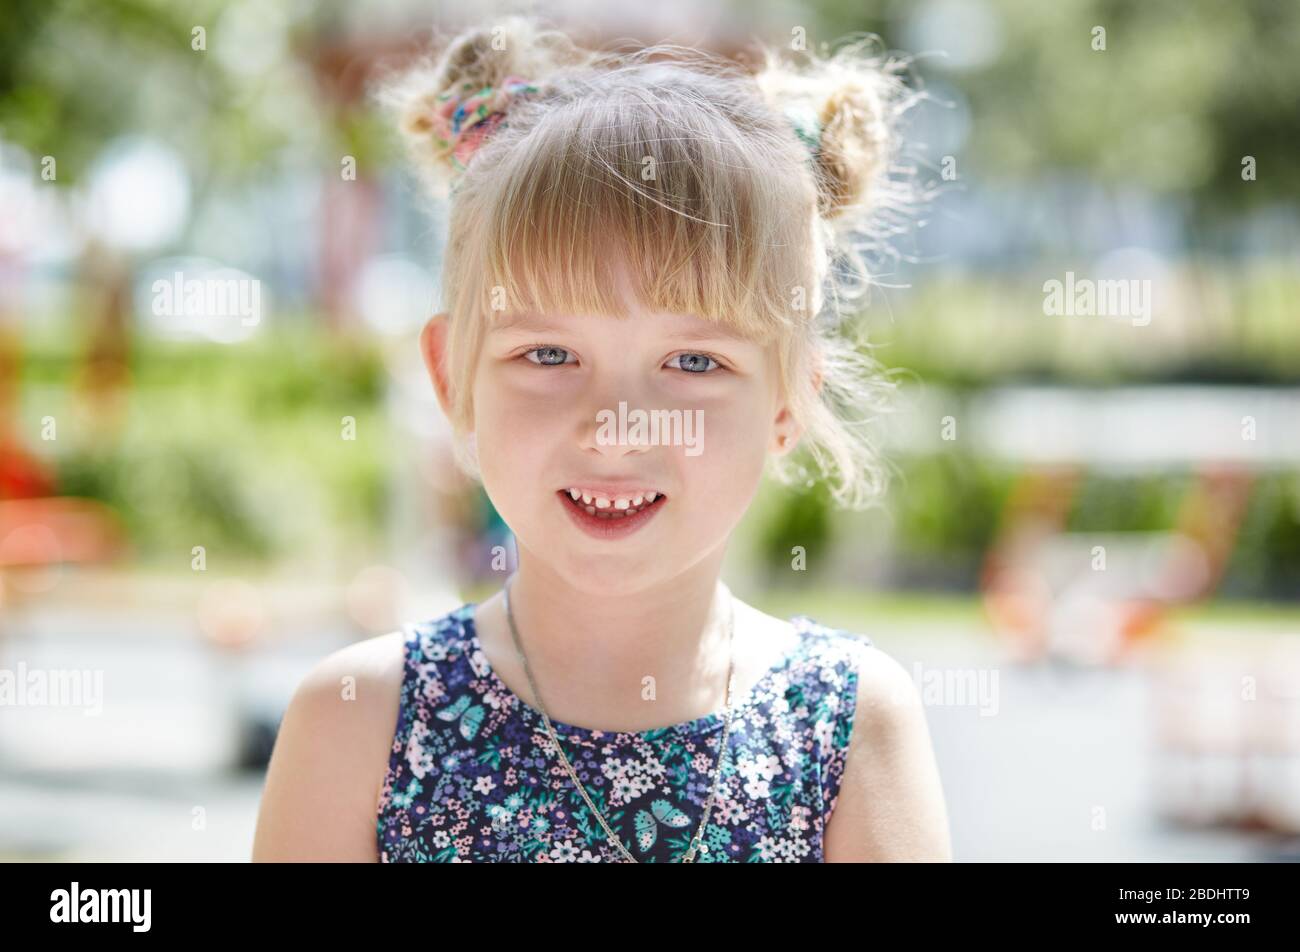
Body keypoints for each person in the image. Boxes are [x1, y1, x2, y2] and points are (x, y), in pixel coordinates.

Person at [253, 14, 950, 863]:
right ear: (451, 379)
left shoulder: (850, 726)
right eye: (549, 354)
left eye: (693, 360)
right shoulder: (358, 720)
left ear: (788, 401)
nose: (615, 425)